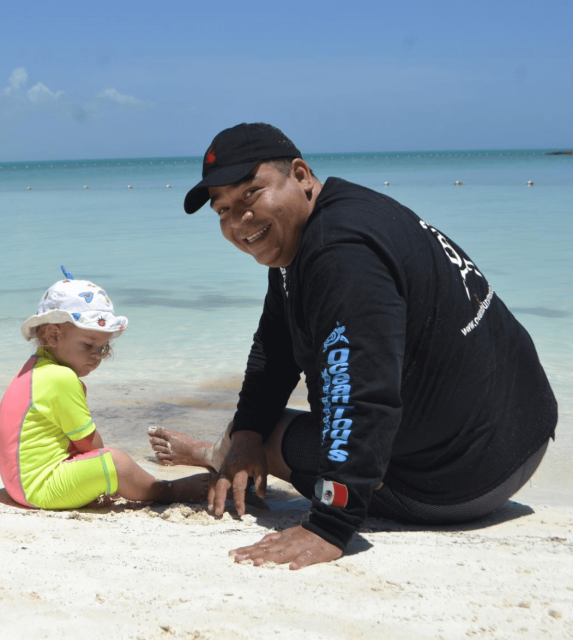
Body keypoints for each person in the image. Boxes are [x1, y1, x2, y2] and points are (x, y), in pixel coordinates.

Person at [149, 123, 557, 569]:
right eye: (223, 210)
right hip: (521, 437)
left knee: (273, 439)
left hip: (461, 482)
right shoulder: (319, 228)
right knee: (251, 430)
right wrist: (246, 430)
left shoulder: (339, 251)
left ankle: (216, 453)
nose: (237, 222)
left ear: (301, 175)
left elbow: (362, 389)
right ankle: (226, 448)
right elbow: (275, 347)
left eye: (251, 194)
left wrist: (329, 525)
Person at [0, 275, 208, 510]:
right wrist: (106, 467)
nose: (97, 355)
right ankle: (164, 490)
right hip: (41, 489)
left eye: (103, 347)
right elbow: (91, 445)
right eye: (88, 345)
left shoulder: (35, 368)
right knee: (115, 461)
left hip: (17, 484)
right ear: (53, 335)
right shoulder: (60, 378)